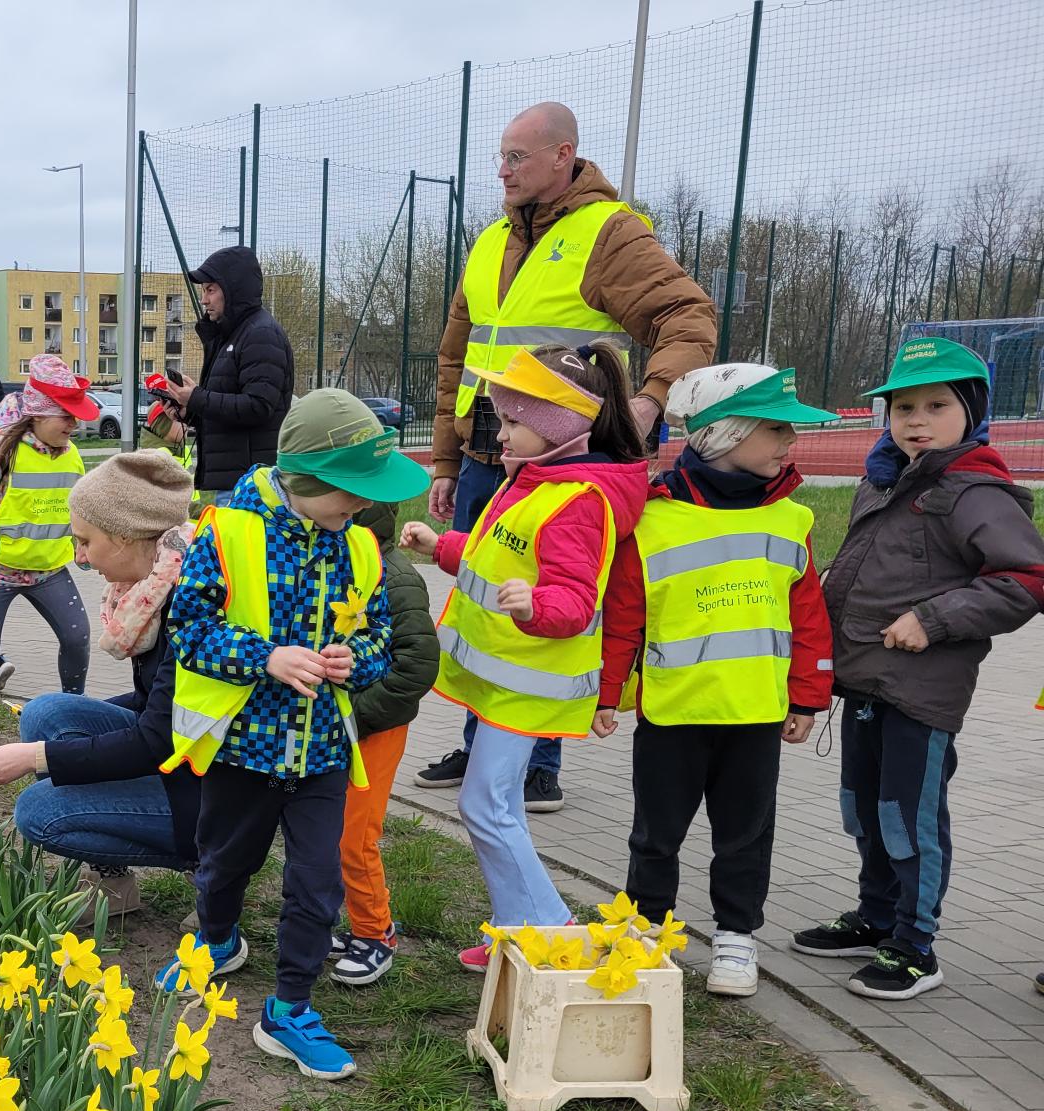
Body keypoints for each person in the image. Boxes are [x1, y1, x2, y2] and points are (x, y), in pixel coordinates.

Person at [416, 100, 717, 811]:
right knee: (488, 594)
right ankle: (485, 734)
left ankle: (538, 757)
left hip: (558, 459)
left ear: (564, 155)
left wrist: (649, 400)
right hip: (488, 451)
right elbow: (456, 355)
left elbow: (688, 317)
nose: (503, 170)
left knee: (552, 595)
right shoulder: (491, 239)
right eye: (500, 156)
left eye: (517, 157)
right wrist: (446, 459)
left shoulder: (608, 234)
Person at [155, 388, 398, 1082]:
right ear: (310, 481)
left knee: (317, 883)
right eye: (350, 497)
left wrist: (361, 662)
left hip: (320, 751)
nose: (359, 511)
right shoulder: (227, 533)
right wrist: (265, 657)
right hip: (242, 746)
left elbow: (379, 632)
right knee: (225, 862)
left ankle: (289, 1010)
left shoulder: (359, 547)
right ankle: (216, 939)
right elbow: (190, 633)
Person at [790, 338, 1044, 1000]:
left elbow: (1027, 579)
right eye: (903, 406)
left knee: (911, 819)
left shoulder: (973, 491)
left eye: (936, 405)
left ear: (972, 411)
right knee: (866, 811)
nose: (916, 420)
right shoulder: (884, 482)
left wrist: (933, 620)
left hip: (920, 692)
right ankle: (876, 917)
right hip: (866, 684)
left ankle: (916, 946)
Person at [397, 344, 650, 971]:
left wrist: (534, 605)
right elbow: (497, 555)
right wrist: (446, 547)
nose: (500, 432)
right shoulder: (536, 479)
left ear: (562, 423)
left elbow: (573, 600)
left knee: (484, 804)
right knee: (493, 804)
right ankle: (517, 928)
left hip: (529, 685)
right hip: (505, 681)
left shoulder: (577, 498)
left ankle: (552, 931)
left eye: (513, 421)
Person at [594, 364, 837, 997]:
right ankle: (644, 928)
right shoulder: (650, 520)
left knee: (746, 838)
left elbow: (808, 618)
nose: (790, 442)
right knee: (655, 834)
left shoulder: (793, 521)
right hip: (672, 715)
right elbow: (624, 618)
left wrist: (810, 695)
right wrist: (607, 695)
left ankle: (735, 938)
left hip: (755, 717)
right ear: (726, 434)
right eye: (776, 429)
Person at [0, 450, 200, 924]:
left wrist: (38, 758)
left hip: (210, 793)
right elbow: (153, 704)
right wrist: (68, 742)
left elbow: (158, 738)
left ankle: (210, 867)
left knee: (38, 810)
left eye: (84, 541)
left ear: (122, 536)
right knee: (47, 715)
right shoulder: (152, 588)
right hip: (180, 757)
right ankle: (116, 884)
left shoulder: (188, 604)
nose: (79, 558)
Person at [332, 403, 439, 988]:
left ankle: (375, 932)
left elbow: (415, 667)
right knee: (322, 827)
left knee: (356, 835)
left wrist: (360, 716)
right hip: (335, 722)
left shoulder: (394, 576)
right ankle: (329, 916)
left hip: (374, 727)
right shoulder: (330, 562)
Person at [0, 353, 99, 750]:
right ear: (37, 414)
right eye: (66, 416)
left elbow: (76, 506)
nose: (75, 425)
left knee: (78, 636)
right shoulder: (0, 451)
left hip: (46, 570)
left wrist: (81, 546)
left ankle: (72, 714)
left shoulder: (70, 453)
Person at [162, 245, 293, 501]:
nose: (204, 299)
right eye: (203, 290)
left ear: (233, 289)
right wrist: (189, 412)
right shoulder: (231, 334)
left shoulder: (260, 333)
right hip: (237, 481)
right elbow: (229, 413)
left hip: (252, 486)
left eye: (210, 290)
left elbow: (258, 406)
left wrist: (197, 398)